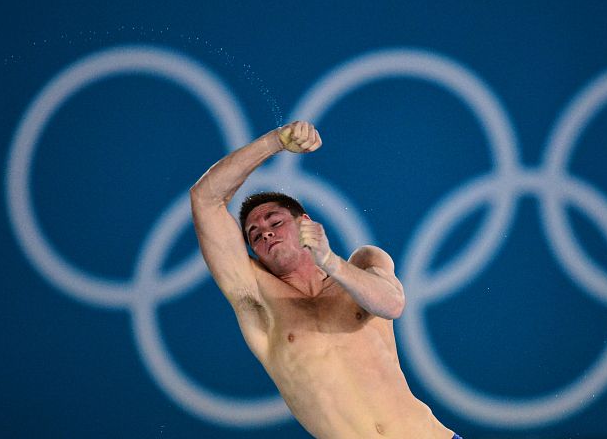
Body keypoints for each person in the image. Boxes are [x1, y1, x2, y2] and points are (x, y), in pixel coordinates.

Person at [190, 121, 460, 439]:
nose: (265, 232)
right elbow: (205, 198)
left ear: (304, 222)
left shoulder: (365, 262)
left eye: (275, 221)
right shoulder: (257, 297)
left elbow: (392, 304)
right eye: (255, 234)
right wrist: (275, 141)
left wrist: (330, 262)